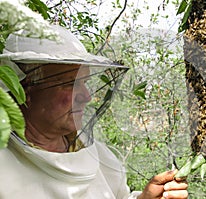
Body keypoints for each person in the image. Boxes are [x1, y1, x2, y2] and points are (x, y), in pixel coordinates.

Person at [0, 25, 188, 199]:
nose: (86, 96)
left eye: (85, 82)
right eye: (70, 84)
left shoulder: (98, 155)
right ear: (24, 90)